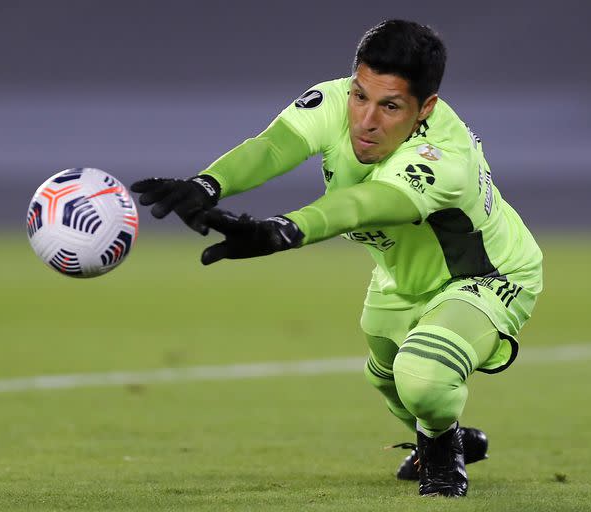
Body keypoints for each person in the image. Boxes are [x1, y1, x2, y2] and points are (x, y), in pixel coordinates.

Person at [131, 19, 543, 498]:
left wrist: (279, 231)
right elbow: (271, 147)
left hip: (487, 275)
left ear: (424, 108)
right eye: (360, 95)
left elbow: (361, 205)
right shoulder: (336, 99)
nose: (366, 120)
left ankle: (441, 455)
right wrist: (206, 184)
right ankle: (441, 433)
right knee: (388, 379)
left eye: (390, 106)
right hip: (399, 277)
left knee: (423, 377)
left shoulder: (444, 156)